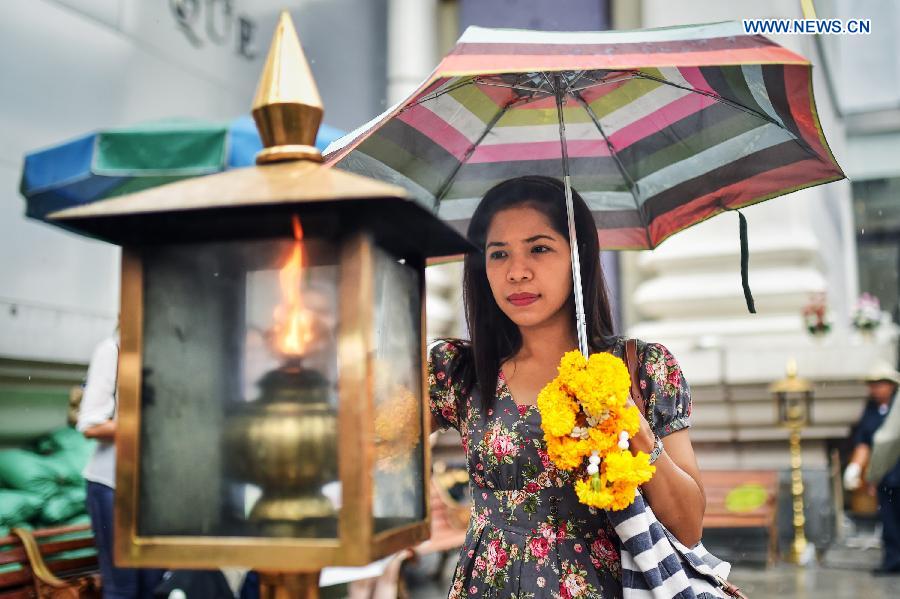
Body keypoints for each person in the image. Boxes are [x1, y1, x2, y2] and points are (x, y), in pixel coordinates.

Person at [428, 176, 705, 598]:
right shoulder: (460, 373)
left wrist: (635, 431)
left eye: (539, 248)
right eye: (498, 254)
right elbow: (378, 442)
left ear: (580, 257)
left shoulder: (641, 367)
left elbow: (688, 526)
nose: (517, 272)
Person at [77, 332, 163, 598]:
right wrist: (147, 423)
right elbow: (90, 424)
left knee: (155, 586)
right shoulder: (112, 350)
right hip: (112, 485)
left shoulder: (163, 352)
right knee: (123, 589)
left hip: (154, 488)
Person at [843, 363, 900, 576]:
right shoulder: (870, 410)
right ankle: (893, 561)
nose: (875, 389)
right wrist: (856, 468)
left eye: (880, 384)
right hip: (885, 475)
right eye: (872, 384)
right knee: (889, 520)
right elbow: (864, 442)